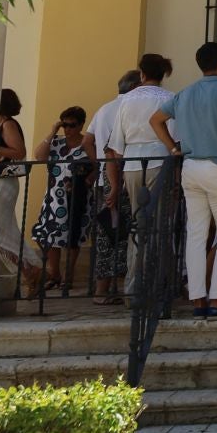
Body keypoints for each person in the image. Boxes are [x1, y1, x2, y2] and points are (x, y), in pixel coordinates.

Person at [151, 40, 217, 319]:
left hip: (190, 167)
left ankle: (197, 299)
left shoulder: (185, 93)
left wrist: (173, 147)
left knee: (196, 234)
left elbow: (155, 119)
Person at [86, 67, 141, 302]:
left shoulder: (104, 109)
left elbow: (88, 141)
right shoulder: (130, 108)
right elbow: (113, 150)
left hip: (103, 179)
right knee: (125, 233)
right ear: (136, 87)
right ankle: (117, 289)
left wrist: (97, 163)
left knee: (105, 233)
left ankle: (103, 289)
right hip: (122, 178)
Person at [107, 52, 175, 234]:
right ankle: (154, 261)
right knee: (159, 218)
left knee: (137, 219)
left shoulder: (126, 100)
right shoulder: (170, 98)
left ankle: (134, 260)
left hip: (131, 163)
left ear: (142, 74)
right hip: (160, 161)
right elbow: (176, 138)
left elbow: (117, 145)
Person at [31, 106, 92, 291]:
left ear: (81, 125)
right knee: (49, 234)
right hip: (54, 198)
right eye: (65, 125)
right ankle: (55, 273)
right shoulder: (56, 143)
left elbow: (98, 165)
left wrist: (88, 181)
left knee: (73, 235)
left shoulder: (87, 144)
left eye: (72, 125)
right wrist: (52, 132)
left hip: (78, 196)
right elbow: (39, 156)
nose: (68, 129)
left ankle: (69, 275)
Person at [0, 89, 41, 291]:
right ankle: (31, 269)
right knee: (6, 228)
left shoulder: (8, 124)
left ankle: (30, 266)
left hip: (4, 182)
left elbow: (19, 152)